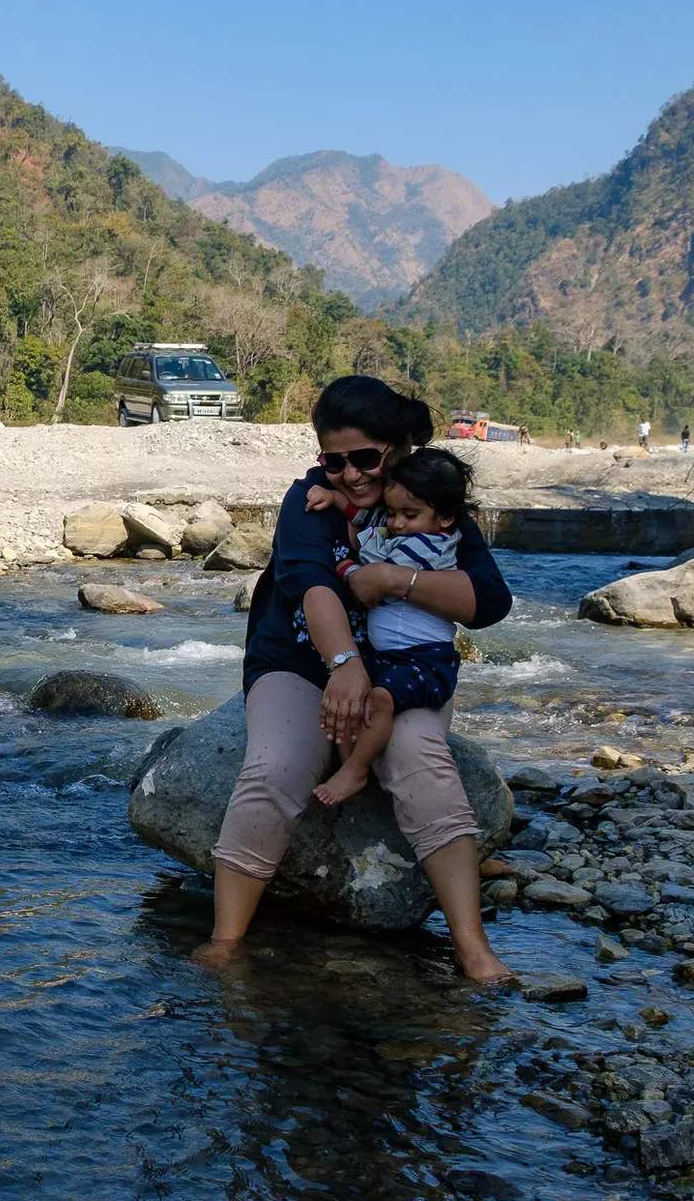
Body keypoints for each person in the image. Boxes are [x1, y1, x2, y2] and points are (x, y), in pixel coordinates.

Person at [195, 375, 515, 983]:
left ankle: (473, 951)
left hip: (404, 672)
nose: (351, 475)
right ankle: (225, 942)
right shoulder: (308, 500)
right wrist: (345, 665)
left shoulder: (429, 501)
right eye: (334, 460)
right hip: (297, 661)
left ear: (397, 451)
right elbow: (312, 585)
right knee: (276, 768)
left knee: (420, 758)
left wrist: (398, 581)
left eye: (365, 458)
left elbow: (490, 600)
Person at [302, 447, 474, 808]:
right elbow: (370, 521)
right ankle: (352, 765)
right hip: (393, 657)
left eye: (407, 515)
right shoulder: (411, 529)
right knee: (350, 705)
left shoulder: (429, 546)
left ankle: (357, 769)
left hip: (426, 661)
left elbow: (368, 575)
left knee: (379, 699)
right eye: (393, 513)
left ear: (445, 517)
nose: (395, 523)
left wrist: (340, 566)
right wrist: (335, 498)